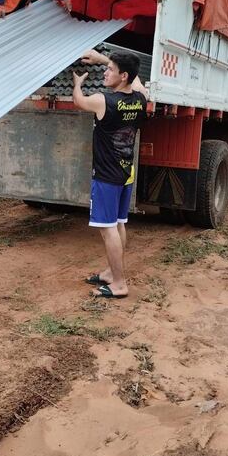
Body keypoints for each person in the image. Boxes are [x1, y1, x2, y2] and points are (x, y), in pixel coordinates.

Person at [72, 50, 148, 298]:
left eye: (110, 70)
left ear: (123, 76)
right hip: (126, 171)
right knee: (118, 223)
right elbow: (136, 80)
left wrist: (77, 83)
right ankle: (110, 273)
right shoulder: (141, 98)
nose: (105, 73)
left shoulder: (103, 101)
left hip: (106, 174)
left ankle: (119, 284)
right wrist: (104, 59)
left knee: (107, 229)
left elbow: (79, 101)